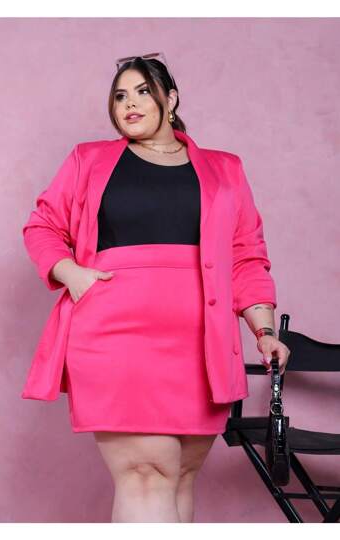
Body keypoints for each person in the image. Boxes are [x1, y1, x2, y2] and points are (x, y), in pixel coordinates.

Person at [22, 53, 290, 523]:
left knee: (180, 477)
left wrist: (263, 330)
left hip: (202, 348)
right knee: (147, 475)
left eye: (143, 91)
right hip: (115, 336)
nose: (129, 103)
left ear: (172, 98)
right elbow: (43, 226)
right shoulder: (89, 159)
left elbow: (246, 256)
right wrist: (71, 273)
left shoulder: (225, 169)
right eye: (120, 95)